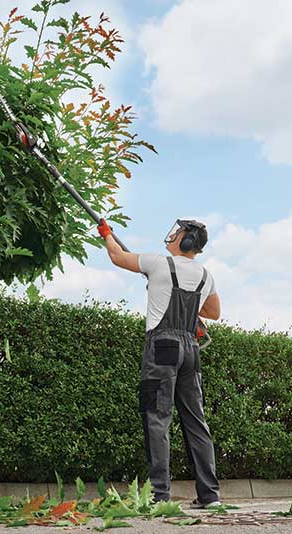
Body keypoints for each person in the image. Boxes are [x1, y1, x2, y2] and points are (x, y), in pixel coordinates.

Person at [97, 218, 222, 508]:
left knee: (157, 418)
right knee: (195, 422)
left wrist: (106, 233)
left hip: (162, 347)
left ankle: (159, 496)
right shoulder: (206, 275)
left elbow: (117, 256)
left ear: (187, 241)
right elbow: (214, 312)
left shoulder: (158, 264)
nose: (173, 234)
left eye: (178, 232)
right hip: (191, 349)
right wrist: (191, 305)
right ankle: (210, 496)